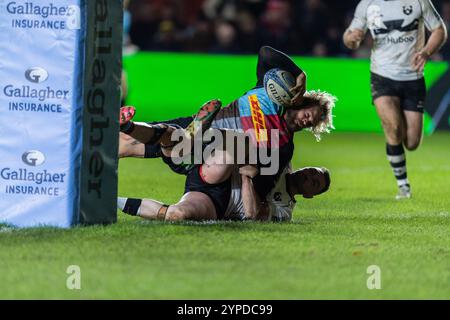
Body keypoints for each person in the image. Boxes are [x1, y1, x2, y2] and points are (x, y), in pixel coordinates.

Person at [119, 46, 336, 202]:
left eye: (313, 122)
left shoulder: (285, 145)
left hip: (216, 155)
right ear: (302, 101)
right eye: (310, 113)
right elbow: (265, 53)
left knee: (209, 143)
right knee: (128, 142)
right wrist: (299, 73)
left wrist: (249, 183)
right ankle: (97, 151)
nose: (308, 120)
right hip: (208, 123)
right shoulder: (267, 91)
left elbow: (265, 179)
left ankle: (192, 141)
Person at [343, 0, 447, 199]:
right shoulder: (367, 4)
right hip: (382, 77)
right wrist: (352, 39)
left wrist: (426, 52)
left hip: (413, 78)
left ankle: (402, 178)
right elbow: (350, 37)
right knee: (393, 127)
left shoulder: (418, 1)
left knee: (412, 142)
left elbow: (439, 29)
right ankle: (403, 186)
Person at [118, 164, 331, 222]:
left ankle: (112, 201)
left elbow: (252, 214)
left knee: (177, 215)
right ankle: (186, 151)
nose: (308, 176)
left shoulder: (284, 211)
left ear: (310, 195)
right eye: (312, 171)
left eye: (314, 182)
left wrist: (247, 177)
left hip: (217, 201)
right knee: (232, 145)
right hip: (219, 172)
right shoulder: (282, 161)